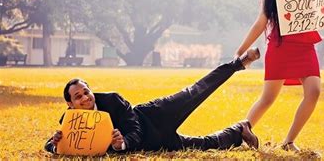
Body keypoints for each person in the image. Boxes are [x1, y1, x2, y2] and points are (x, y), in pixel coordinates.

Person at [45, 48, 261, 154]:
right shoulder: (70, 120)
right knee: (206, 145)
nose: (84, 98)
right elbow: (52, 146)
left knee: (195, 92)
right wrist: (55, 144)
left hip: (156, 116)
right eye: (78, 97)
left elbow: (135, 128)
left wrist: (123, 143)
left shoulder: (112, 100)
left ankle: (237, 64)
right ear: (70, 105)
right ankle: (238, 130)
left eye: (86, 92)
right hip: (156, 143)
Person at [234, 0, 324, 152]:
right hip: (280, 50)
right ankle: (239, 132)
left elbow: (315, 17)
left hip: (306, 48)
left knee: (314, 91)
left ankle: (289, 141)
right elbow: (259, 24)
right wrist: (240, 52)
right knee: (267, 99)